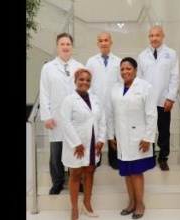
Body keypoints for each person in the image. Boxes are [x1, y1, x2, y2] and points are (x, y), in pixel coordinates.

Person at [107, 57, 157, 219]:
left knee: (136, 172)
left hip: (139, 138)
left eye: (128, 68)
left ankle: (140, 203)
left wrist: (148, 137)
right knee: (127, 173)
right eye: (122, 69)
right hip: (122, 137)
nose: (125, 72)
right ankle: (131, 202)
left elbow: (151, 114)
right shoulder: (115, 88)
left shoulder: (145, 87)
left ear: (135, 70)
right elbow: (110, 114)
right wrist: (110, 135)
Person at [40, 32, 84, 195]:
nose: (65, 47)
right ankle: (57, 181)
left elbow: (85, 90)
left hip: (75, 117)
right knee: (56, 151)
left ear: (72, 47)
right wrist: (46, 115)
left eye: (68, 44)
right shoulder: (48, 68)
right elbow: (44, 92)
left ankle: (77, 180)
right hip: (56, 117)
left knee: (75, 149)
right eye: (62, 44)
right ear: (57, 47)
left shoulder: (79, 66)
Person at [60, 68, 106, 220]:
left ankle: (87, 203)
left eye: (87, 80)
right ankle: (74, 208)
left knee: (90, 172)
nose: (84, 82)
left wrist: (100, 140)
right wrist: (76, 143)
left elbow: (102, 120)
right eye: (81, 79)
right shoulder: (69, 100)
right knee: (75, 175)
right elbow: (65, 122)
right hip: (76, 144)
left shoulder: (96, 99)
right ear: (75, 80)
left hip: (93, 143)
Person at [137, 25, 180, 171]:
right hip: (146, 101)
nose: (154, 38)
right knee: (148, 129)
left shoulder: (171, 54)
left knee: (164, 130)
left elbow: (175, 77)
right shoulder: (142, 55)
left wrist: (170, 98)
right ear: (148, 37)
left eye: (157, 35)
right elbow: (139, 79)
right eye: (151, 36)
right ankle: (149, 157)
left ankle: (163, 158)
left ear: (163, 36)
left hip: (163, 100)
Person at [85, 32, 122, 169]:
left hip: (113, 103)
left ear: (111, 43)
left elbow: (121, 83)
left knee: (114, 130)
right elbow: (86, 81)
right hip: (96, 102)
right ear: (98, 44)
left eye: (106, 40)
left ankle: (114, 158)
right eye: (101, 41)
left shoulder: (118, 62)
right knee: (97, 130)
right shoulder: (91, 61)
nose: (104, 43)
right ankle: (97, 156)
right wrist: (89, 100)